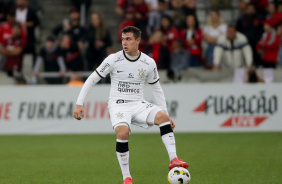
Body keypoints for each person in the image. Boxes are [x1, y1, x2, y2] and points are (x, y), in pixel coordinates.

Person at [73, 26, 188, 184]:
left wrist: (165, 113)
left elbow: (157, 90)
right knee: (122, 133)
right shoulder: (113, 59)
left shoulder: (148, 62)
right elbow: (92, 79)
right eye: (122, 39)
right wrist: (79, 103)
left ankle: (173, 159)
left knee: (162, 117)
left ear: (138, 41)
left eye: (128, 39)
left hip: (138, 103)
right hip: (118, 105)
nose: (124, 43)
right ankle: (127, 178)